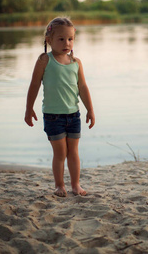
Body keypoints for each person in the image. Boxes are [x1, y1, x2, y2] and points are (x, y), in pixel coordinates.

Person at [25, 17, 95, 197]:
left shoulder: (76, 63)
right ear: (49, 40)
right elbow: (34, 85)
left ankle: (75, 184)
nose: (67, 43)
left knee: (74, 152)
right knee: (60, 153)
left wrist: (90, 110)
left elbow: (83, 87)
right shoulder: (44, 60)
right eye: (61, 39)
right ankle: (59, 185)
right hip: (53, 116)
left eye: (70, 39)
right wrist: (29, 109)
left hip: (74, 115)